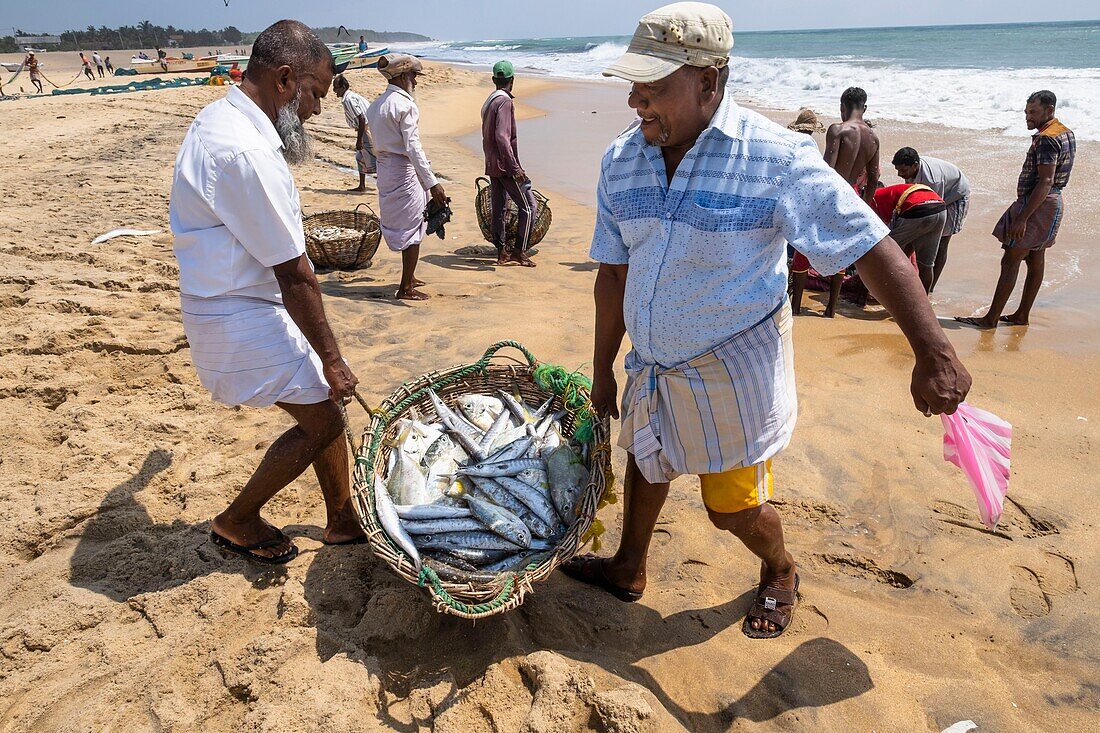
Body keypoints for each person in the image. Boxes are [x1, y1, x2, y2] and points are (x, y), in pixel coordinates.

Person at [564, 2, 971, 639]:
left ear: (708, 82)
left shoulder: (775, 159)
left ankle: (779, 570)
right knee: (647, 459)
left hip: (733, 370)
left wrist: (934, 351)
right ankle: (630, 566)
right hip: (653, 364)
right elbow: (613, 273)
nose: (636, 100)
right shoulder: (623, 159)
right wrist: (602, 372)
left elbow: (868, 244)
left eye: (654, 85)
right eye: (634, 83)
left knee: (731, 506)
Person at [168, 20, 363, 564]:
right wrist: (332, 356)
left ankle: (343, 519)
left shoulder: (226, 117)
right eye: (315, 95)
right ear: (284, 80)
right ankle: (238, 519)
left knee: (321, 404)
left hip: (234, 298)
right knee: (325, 418)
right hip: (235, 311)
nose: (318, 110)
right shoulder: (244, 152)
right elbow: (296, 272)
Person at [956, 91, 1074, 328]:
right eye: (1026, 112)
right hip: (1052, 202)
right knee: (1035, 257)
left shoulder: (1046, 139)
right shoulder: (1065, 132)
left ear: (1049, 110)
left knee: (1011, 260)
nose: (1028, 117)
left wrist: (1022, 218)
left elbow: (1045, 181)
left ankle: (990, 319)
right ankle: (1022, 315)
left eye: (1034, 112)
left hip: (1038, 204)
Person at [366, 54, 448, 301]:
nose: (416, 81)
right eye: (413, 76)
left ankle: (409, 278)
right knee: (413, 225)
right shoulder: (405, 105)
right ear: (402, 76)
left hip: (385, 168)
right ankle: (405, 288)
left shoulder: (376, 104)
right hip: (403, 170)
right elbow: (413, 147)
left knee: (408, 221)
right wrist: (432, 183)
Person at [786, 108, 844, 317]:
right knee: (837, 251)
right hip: (826, 199)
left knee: (801, 252)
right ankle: (831, 308)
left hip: (803, 203)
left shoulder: (793, 143)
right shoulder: (814, 148)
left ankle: (795, 306)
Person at [482, 60, 537, 267]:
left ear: (494, 80)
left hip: (492, 164)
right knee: (529, 207)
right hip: (505, 166)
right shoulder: (504, 102)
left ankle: (501, 252)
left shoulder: (490, 100)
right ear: (512, 81)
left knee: (499, 208)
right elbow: (502, 137)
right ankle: (518, 252)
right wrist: (515, 168)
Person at [892, 147, 970, 292]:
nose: (900, 175)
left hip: (953, 197)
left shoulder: (932, 180)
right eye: (897, 170)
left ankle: (930, 288)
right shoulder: (912, 170)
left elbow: (934, 208)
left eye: (903, 171)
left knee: (941, 242)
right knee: (913, 238)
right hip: (934, 199)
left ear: (915, 165)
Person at [869, 182, 948, 290]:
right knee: (926, 264)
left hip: (917, 209)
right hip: (940, 207)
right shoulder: (894, 190)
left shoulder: (870, 199)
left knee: (885, 254)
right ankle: (924, 302)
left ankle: (877, 291)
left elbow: (878, 234)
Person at [825, 87, 879, 204]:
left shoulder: (838, 130)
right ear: (864, 109)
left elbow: (827, 169)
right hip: (853, 197)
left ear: (842, 107)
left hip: (833, 194)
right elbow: (873, 179)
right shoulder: (873, 138)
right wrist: (865, 206)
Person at [333, 73, 376, 191]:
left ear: (342, 87)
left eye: (335, 87)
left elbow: (361, 119)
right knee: (360, 158)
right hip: (365, 128)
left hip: (366, 129)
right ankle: (362, 186)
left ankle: (386, 185)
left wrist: (359, 140)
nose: (334, 90)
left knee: (375, 160)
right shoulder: (350, 97)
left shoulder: (348, 100)